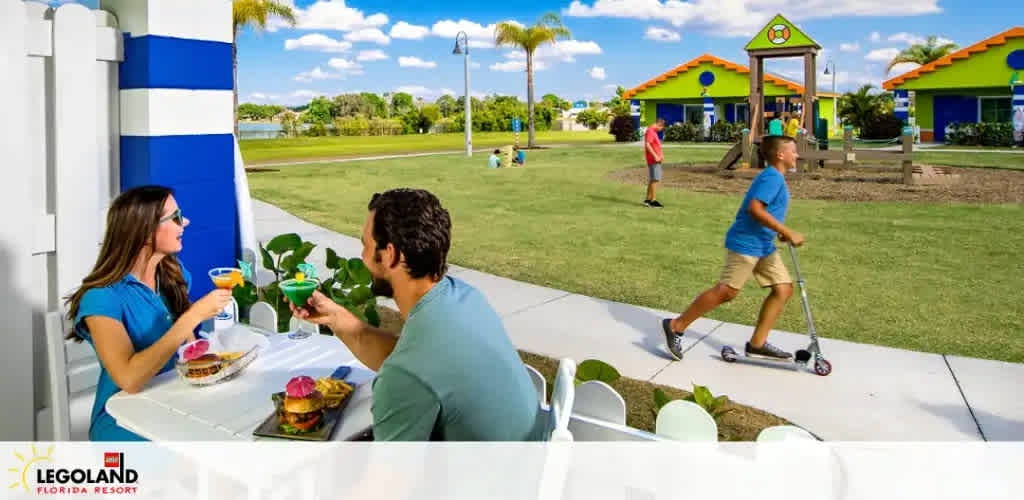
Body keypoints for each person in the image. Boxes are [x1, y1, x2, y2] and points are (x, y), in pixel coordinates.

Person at [290, 188, 544, 441]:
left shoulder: (409, 374)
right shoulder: (463, 298)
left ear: (390, 255)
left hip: (481, 479)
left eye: (365, 245)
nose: (362, 256)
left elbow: (390, 480)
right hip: (525, 465)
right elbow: (405, 362)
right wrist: (335, 317)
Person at [64, 185, 234, 441]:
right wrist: (193, 316)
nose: (185, 222)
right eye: (175, 217)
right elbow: (129, 379)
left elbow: (188, 353)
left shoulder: (171, 274)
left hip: (175, 400)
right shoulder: (102, 297)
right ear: (145, 231)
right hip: (123, 421)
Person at [661, 136, 805, 361]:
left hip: (763, 244)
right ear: (780, 155)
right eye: (793, 151)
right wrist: (787, 231)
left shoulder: (774, 177)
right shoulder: (772, 178)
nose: (797, 155)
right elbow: (755, 209)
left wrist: (776, 230)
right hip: (747, 242)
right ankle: (675, 325)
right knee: (727, 291)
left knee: (783, 289)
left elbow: (767, 211)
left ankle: (757, 344)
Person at [644, 118, 666, 207]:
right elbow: (647, 144)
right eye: (661, 128)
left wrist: (660, 155)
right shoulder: (650, 131)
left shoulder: (653, 132)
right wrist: (656, 156)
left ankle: (648, 200)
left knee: (653, 179)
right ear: (659, 124)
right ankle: (653, 201)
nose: (661, 130)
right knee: (655, 179)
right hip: (653, 160)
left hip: (655, 160)